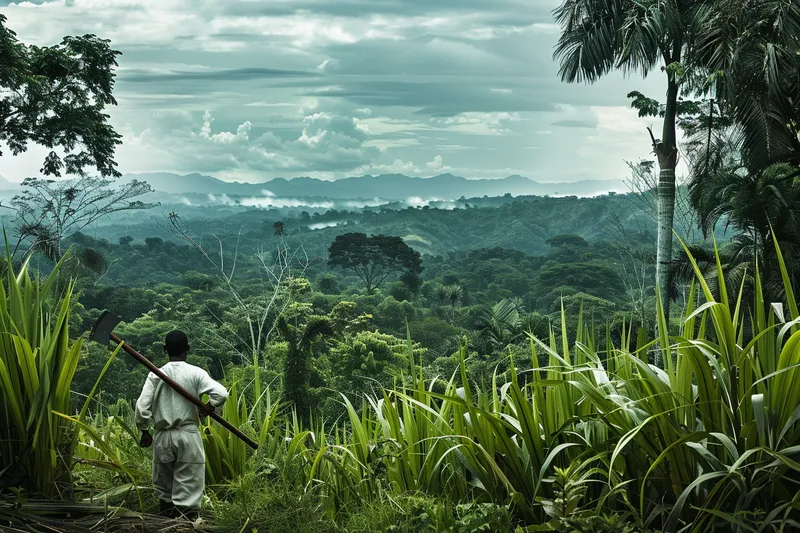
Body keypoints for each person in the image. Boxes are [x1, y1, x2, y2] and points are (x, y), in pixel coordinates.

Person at [135, 330, 228, 520]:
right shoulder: (196, 373)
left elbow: (141, 406)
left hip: (162, 437)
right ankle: (186, 525)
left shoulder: (155, 374)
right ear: (188, 348)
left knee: (165, 490)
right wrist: (209, 406)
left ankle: (166, 524)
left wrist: (144, 431)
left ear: (164, 349)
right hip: (188, 437)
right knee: (189, 490)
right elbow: (221, 394)